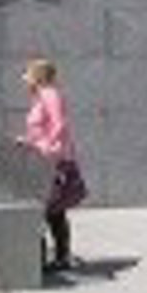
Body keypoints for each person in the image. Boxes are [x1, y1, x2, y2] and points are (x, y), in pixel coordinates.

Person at [21, 58, 87, 273]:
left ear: (37, 76)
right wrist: (27, 141)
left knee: (48, 209)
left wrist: (48, 148)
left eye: (28, 74)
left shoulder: (50, 94)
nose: (25, 79)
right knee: (52, 211)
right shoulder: (40, 96)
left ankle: (53, 257)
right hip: (42, 157)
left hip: (52, 161)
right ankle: (58, 256)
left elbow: (59, 124)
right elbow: (40, 129)